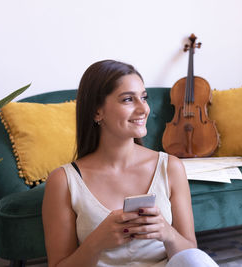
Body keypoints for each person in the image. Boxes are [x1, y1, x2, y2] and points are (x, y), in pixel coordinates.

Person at [42, 60, 218, 267]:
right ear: (97, 111)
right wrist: (96, 243)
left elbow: (190, 254)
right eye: (128, 99)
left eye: (144, 98)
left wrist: (167, 232)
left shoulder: (170, 167)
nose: (143, 108)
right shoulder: (64, 181)